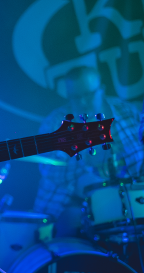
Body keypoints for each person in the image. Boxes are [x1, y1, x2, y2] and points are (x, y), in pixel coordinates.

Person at [33, 66, 144, 256]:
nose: (82, 102)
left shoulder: (125, 111)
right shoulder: (55, 123)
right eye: (75, 97)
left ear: (101, 89)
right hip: (73, 206)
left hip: (130, 202)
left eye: (88, 94)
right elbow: (50, 170)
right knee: (72, 229)